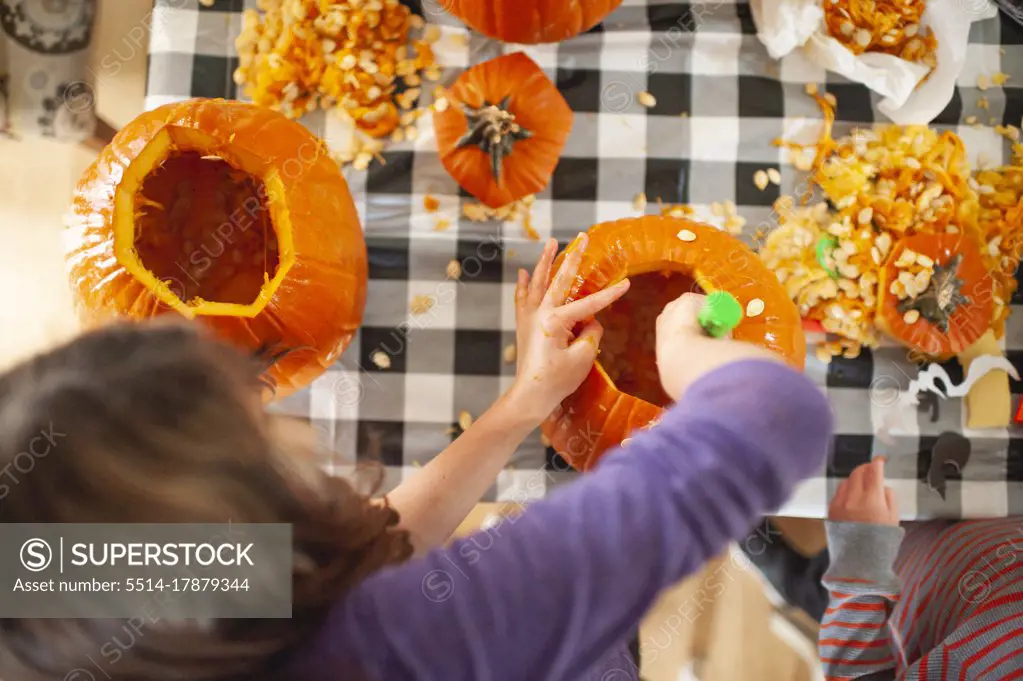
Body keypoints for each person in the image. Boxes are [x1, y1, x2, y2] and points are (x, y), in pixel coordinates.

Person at [0, 235, 834, 681]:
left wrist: (522, 405)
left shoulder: (75, 587)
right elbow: (769, 417)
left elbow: (351, 554)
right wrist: (687, 361)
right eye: (253, 436)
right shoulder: (415, 640)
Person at [820, 458, 1023, 679]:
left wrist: (862, 553)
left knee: (804, 578)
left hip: (898, 568)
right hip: (996, 516)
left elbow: (854, 672)